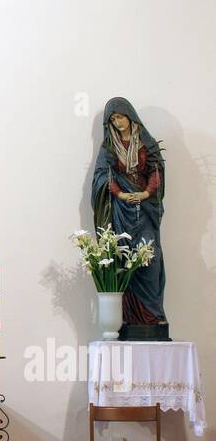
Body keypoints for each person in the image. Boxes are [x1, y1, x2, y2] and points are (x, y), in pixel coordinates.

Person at [91, 96, 167, 326]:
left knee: (149, 258)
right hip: (121, 211)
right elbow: (104, 176)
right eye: (113, 120)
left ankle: (153, 315)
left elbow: (156, 171)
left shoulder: (146, 142)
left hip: (143, 209)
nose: (118, 123)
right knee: (124, 258)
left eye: (121, 117)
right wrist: (121, 193)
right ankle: (129, 318)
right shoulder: (110, 146)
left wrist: (144, 193)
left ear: (130, 116)